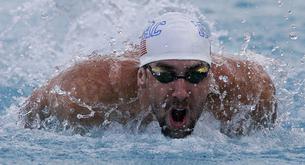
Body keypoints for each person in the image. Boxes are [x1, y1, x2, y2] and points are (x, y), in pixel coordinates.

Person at [19, 12, 277, 138]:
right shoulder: (87, 93)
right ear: (142, 77)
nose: (180, 91)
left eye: (196, 74)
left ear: (210, 75)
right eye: (165, 74)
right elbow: (30, 111)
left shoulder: (252, 92)